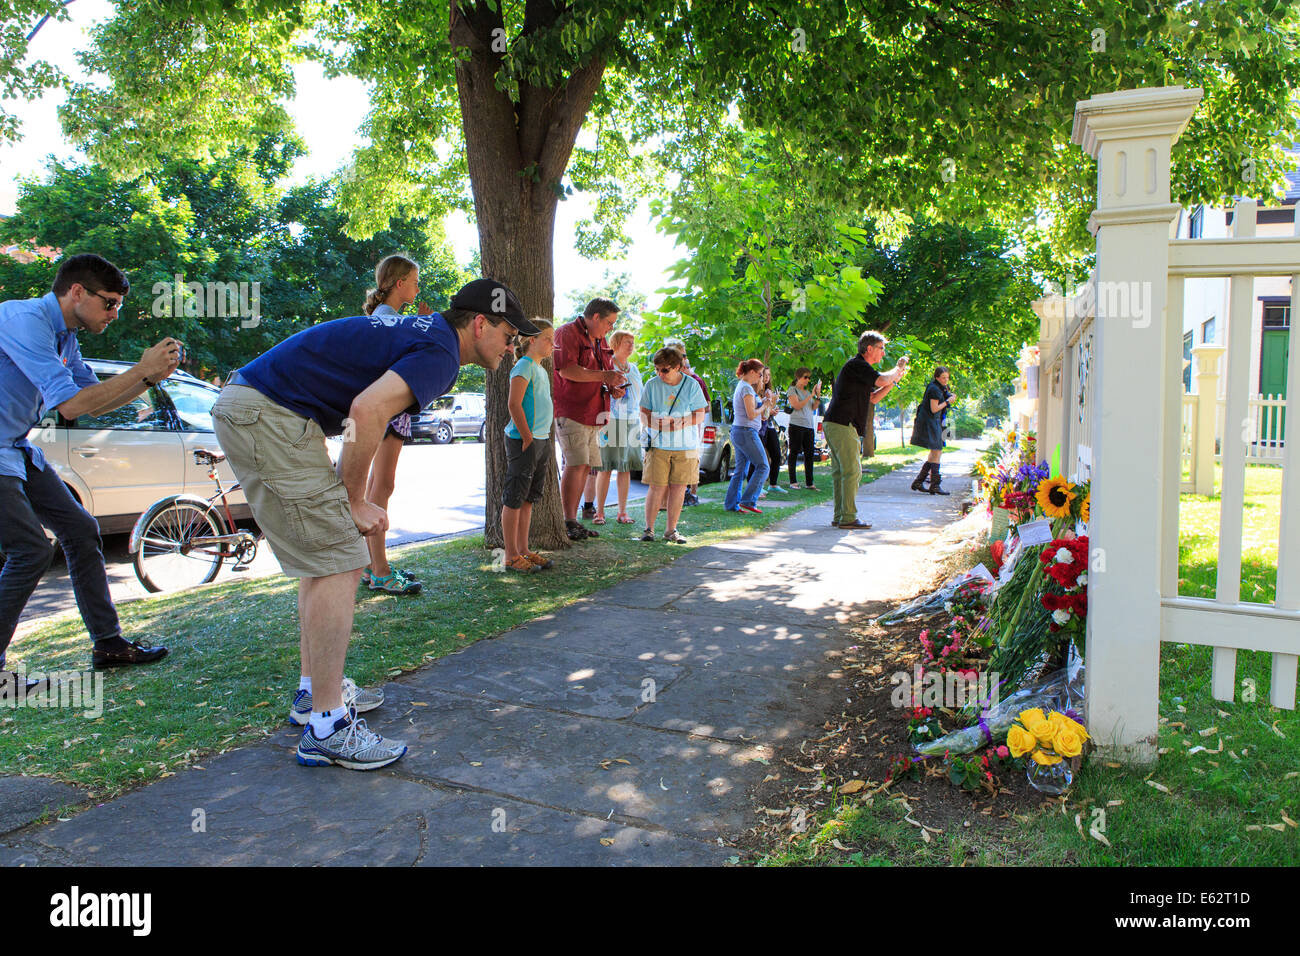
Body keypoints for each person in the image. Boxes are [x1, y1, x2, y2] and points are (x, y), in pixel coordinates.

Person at [213, 278, 534, 770]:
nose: (512, 348)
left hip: (263, 408)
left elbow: (368, 410)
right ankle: (327, 726)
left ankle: (311, 696)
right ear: (480, 323)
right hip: (268, 414)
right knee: (342, 559)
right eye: (510, 335)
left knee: (325, 563)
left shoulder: (429, 337)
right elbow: (366, 411)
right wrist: (353, 500)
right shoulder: (442, 353)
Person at [0, 254, 175, 688]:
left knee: (80, 530)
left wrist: (148, 380)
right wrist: (139, 370)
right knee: (31, 551)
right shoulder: (24, 321)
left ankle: (109, 644)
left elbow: (87, 401)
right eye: (110, 303)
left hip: (15, 447)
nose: (115, 314)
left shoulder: (66, 336)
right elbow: (70, 406)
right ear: (77, 292)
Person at [359, 255, 425, 596]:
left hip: (386, 413)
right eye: (414, 281)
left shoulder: (386, 317)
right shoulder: (389, 320)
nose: (417, 287)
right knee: (381, 488)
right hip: (387, 413)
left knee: (376, 487)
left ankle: (373, 566)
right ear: (399, 284)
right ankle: (380, 571)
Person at [553, 299, 625, 541]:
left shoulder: (600, 340)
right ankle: (568, 521)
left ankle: (574, 521)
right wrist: (605, 375)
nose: (609, 329)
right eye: (608, 323)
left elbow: (599, 374)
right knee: (575, 464)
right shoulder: (566, 333)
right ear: (595, 317)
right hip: (571, 411)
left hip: (594, 413)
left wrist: (612, 385)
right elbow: (566, 370)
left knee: (586, 467)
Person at [822, 331, 909, 529]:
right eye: (881, 348)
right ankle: (848, 517)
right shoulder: (857, 365)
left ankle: (841, 516)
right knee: (852, 471)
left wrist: (894, 380)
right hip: (842, 424)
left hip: (836, 423)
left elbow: (874, 397)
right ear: (868, 348)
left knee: (842, 472)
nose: (883, 353)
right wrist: (897, 368)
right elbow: (881, 379)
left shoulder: (860, 370)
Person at [639, 346, 708, 543]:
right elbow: (643, 413)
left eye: (665, 370)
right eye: (657, 369)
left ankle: (671, 531)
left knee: (679, 488)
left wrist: (678, 423)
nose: (660, 374)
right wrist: (655, 423)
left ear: (678, 367)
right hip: (658, 445)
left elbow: (700, 413)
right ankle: (649, 530)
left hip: (685, 446)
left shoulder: (692, 385)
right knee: (656, 487)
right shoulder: (651, 385)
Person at [502, 320, 555, 571]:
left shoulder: (540, 369)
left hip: (541, 439)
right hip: (525, 440)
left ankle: (523, 549)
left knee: (528, 498)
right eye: (547, 338)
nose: (552, 344)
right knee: (514, 497)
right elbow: (514, 403)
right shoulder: (524, 365)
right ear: (531, 339)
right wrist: (526, 436)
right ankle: (510, 555)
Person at [595, 330, 643, 525]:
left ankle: (622, 512)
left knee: (626, 468)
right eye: (626, 342)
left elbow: (640, 397)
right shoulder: (607, 366)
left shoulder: (635, 369)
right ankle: (599, 512)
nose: (631, 345)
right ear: (615, 343)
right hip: (610, 420)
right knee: (605, 467)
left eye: (632, 342)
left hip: (632, 422)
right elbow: (597, 393)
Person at [663, 337, 709, 507]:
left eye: (684, 356)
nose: (684, 359)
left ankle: (680, 505)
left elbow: (702, 411)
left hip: (686, 436)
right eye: (682, 355)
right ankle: (663, 508)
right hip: (665, 438)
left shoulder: (694, 382)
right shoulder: (658, 381)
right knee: (664, 479)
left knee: (680, 479)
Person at [724, 359, 768, 514]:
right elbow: (751, 414)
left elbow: (752, 412)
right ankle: (748, 500)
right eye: (760, 374)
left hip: (741, 431)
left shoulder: (744, 387)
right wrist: (764, 406)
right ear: (751, 372)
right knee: (763, 466)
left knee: (741, 470)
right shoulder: (747, 389)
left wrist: (763, 407)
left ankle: (731, 504)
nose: (760, 377)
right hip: (746, 431)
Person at [910, 366, 956, 495]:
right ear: (937, 377)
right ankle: (934, 485)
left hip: (934, 422)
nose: (946, 380)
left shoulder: (939, 387)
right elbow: (934, 409)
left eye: (947, 377)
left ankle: (919, 482)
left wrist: (949, 395)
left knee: (935, 453)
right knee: (937, 451)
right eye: (943, 378)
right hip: (930, 423)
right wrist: (947, 401)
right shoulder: (934, 389)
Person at [746, 367, 784, 497]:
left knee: (775, 455)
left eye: (768, 375)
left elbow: (766, 412)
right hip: (759, 427)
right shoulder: (754, 391)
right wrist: (769, 406)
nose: (766, 377)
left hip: (768, 426)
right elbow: (760, 412)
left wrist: (772, 405)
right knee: (758, 459)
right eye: (764, 375)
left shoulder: (769, 391)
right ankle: (754, 487)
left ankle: (772, 484)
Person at [787, 368, 821, 489]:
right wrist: (810, 395)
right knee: (794, 453)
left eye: (809, 377)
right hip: (796, 425)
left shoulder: (807, 392)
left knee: (809, 454)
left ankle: (810, 483)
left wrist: (817, 396)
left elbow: (813, 407)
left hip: (809, 426)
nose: (808, 380)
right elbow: (796, 405)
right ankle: (793, 482)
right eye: (805, 377)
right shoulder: (792, 390)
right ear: (798, 377)